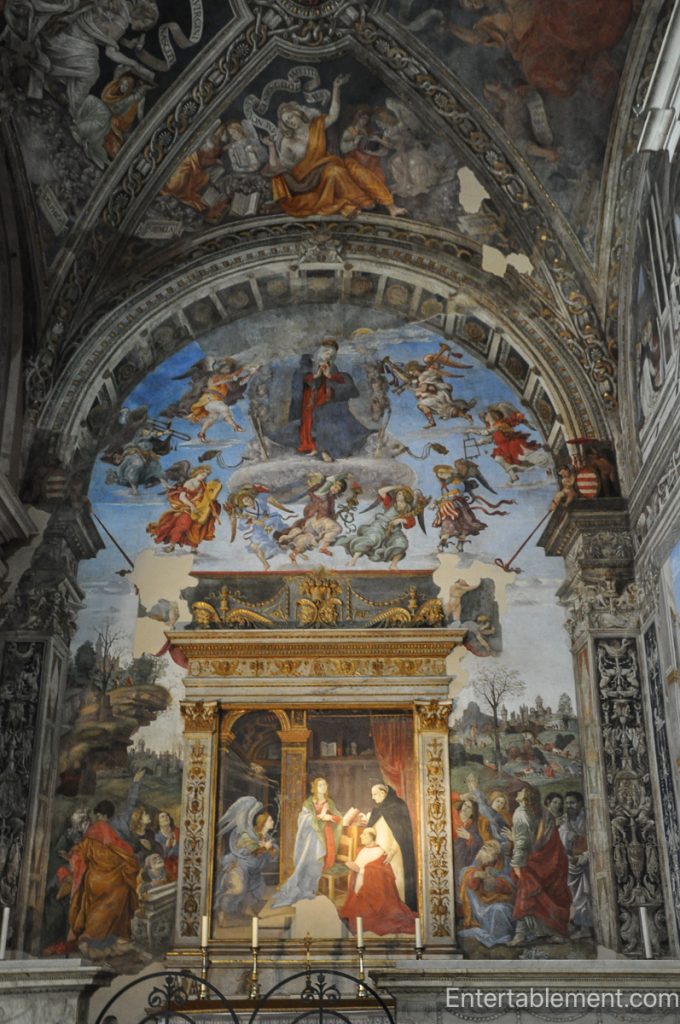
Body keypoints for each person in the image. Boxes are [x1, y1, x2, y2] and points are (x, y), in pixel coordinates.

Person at [263, 75, 406, 218]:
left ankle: (389, 206)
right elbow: (279, 166)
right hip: (304, 180)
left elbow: (333, 115)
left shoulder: (316, 125)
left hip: (324, 167)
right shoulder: (288, 141)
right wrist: (271, 147)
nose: (290, 122)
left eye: (290, 117)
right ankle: (359, 202)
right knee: (335, 172)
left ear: (297, 113)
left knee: (352, 169)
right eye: (286, 122)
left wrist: (336, 88)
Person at [67, 798, 140, 959]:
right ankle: (94, 938)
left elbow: (80, 855)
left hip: (94, 879)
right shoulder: (112, 833)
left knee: (96, 908)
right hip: (113, 879)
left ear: (99, 814)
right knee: (108, 908)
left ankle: (91, 938)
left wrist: (71, 857)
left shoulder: (92, 832)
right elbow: (126, 854)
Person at [508, 785, 571, 945]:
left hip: (535, 861)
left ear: (527, 795)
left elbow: (522, 842)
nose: (518, 791)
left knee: (526, 894)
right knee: (546, 895)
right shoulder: (543, 811)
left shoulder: (521, 813)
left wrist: (517, 864)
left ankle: (521, 935)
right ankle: (553, 932)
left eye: (521, 790)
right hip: (552, 859)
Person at [271, 778, 348, 907]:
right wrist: (319, 816)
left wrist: (329, 817)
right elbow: (302, 819)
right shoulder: (309, 803)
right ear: (315, 787)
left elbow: (338, 818)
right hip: (313, 837)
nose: (323, 787)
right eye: (320, 785)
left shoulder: (329, 802)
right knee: (311, 862)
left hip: (327, 834)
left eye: (325, 784)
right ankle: (308, 889)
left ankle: (316, 889)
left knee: (325, 861)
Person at [339, 827, 416, 936]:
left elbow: (378, 874)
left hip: (372, 892)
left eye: (364, 834)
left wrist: (358, 869)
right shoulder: (362, 850)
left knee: (369, 919)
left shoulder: (379, 851)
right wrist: (354, 868)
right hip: (359, 886)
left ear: (371, 836)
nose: (361, 836)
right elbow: (359, 866)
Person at [215, 797, 277, 920]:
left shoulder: (267, 837)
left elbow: (271, 857)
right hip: (240, 868)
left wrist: (270, 849)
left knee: (256, 893)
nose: (273, 821)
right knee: (238, 889)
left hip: (254, 872)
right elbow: (246, 852)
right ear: (263, 823)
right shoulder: (248, 835)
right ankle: (222, 909)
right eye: (270, 820)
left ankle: (244, 911)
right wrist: (264, 848)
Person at [338, 486, 420, 570]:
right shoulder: (391, 503)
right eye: (397, 494)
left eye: (400, 494)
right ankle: (353, 561)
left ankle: (393, 565)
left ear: (405, 496)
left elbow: (411, 522)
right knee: (371, 539)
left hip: (393, 530)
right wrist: (397, 486)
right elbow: (381, 491)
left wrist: (401, 520)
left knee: (402, 543)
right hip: (380, 525)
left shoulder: (408, 509)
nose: (397, 495)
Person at [366, 784, 418, 911]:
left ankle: (398, 910)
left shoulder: (398, 807)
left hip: (395, 855)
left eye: (375, 794)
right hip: (379, 853)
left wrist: (392, 852)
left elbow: (402, 835)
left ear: (383, 793)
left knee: (395, 883)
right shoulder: (377, 809)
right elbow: (373, 829)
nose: (373, 797)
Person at [146, 466, 221, 553]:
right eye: (202, 474)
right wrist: (192, 506)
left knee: (196, 528)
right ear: (197, 473)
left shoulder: (203, 485)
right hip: (187, 507)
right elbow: (182, 497)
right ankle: (171, 545)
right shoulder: (189, 483)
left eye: (205, 476)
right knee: (183, 525)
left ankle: (193, 549)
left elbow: (207, 498)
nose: (204, 477)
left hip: (199, 509)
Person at [277, 474, 347, 563]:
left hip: (313, 524)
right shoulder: (323, 493)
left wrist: (332, 516)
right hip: (318, 520)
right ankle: (324, 547)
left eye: (338, 489)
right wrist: (345, 475)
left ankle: (294, 554)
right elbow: (328, 482)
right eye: (335, 486)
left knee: (307, 539)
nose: (335, 490)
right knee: (337, 528)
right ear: (330, 484)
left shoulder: (330, 498)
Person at [459, 840, 516, 947]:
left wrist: (497, 883)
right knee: (495, 909)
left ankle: (501, 937)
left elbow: (512, 885)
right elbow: (467, 876)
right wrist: (476, 875)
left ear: (496, 859)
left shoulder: (505, 864)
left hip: (502, 900)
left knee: (500, 909)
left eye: (489, 862)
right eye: (484, 862)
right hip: (481, 905)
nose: (486, 865)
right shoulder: (479, 863)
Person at [559, 792, 592, 937]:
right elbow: (561, 837)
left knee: (586, 897)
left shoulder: (588, 819)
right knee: (573, 897)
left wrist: (583, 857)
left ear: (580, 804)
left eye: (572, 803)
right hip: (571, 863)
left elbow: (595, 841)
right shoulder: (565, 820)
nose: (569, 806)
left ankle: (585, 928)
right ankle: (577, 926)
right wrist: (568, 838)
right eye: (567, 803)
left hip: (587, 862)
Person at [155, 811, 180, 882]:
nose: (165, 817)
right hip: (166, 867)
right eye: (162, 816)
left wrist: (174, 846)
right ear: (158, 822)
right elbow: (163, 856)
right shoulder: (157, 837)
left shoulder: (177, 831)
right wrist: (169, 847)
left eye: (167, 816)